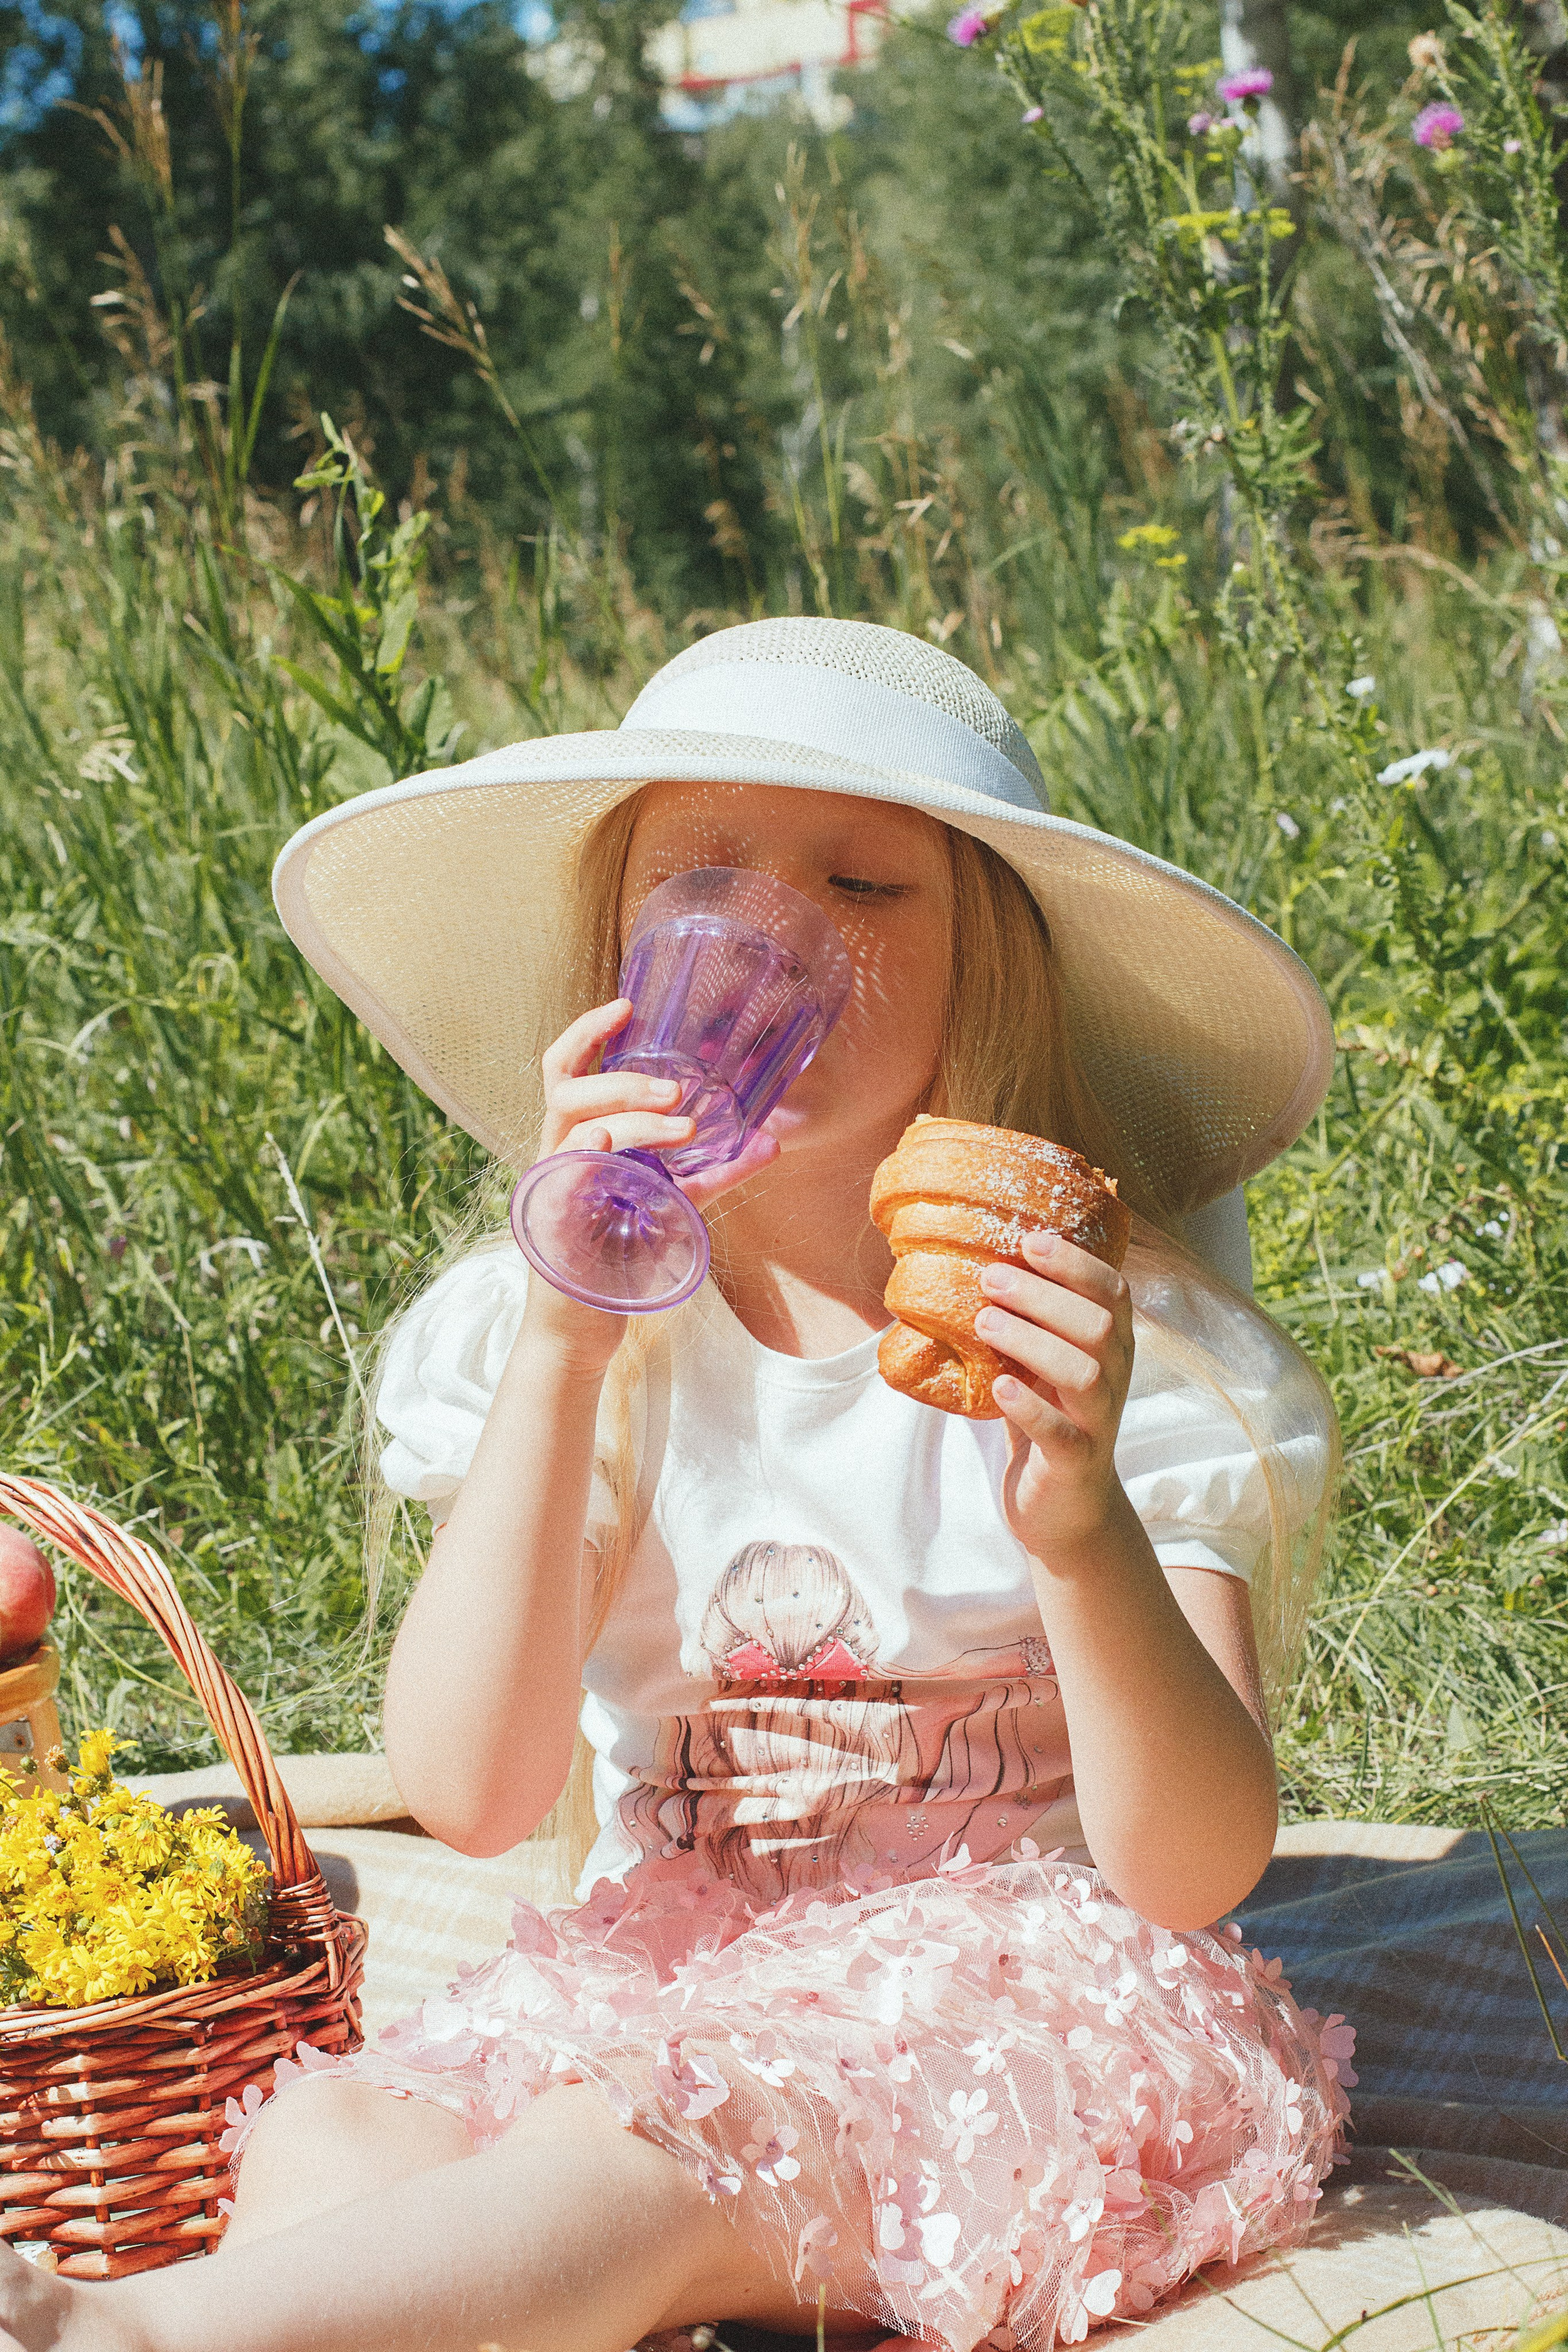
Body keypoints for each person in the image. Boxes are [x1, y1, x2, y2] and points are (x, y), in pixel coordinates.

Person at [0, 620, 1354, 2352]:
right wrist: (565, 1346)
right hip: (682, 1970)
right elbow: (473, 1793)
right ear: (619, 954)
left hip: (1024, 2012)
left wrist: (1080, 1528)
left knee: (624, 2152)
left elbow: (1199, 1867)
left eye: (864, 887)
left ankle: (127, 2333)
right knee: (345, 2136)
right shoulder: (549, 1335)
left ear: (990, 972)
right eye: (703, 879)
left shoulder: (1097, 1343)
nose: (773, 939)